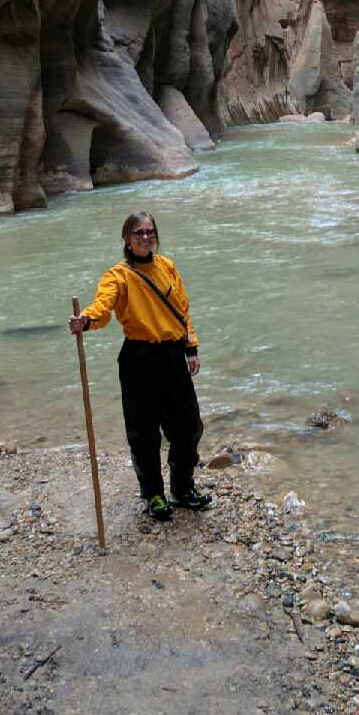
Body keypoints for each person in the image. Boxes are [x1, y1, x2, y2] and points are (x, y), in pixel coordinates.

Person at [69, 211, 212, 522]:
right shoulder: (117, 276)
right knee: (144, 433)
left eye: (149, 232)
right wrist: (87, 320)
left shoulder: (168, 267)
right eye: (138, 233)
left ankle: (182, 487)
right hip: (138, 360)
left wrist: (191, 348)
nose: (145, 237)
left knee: (188, 428)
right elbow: (104, 307)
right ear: (127, 238)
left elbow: (182, 310)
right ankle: (154, 494)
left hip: (173, 356)